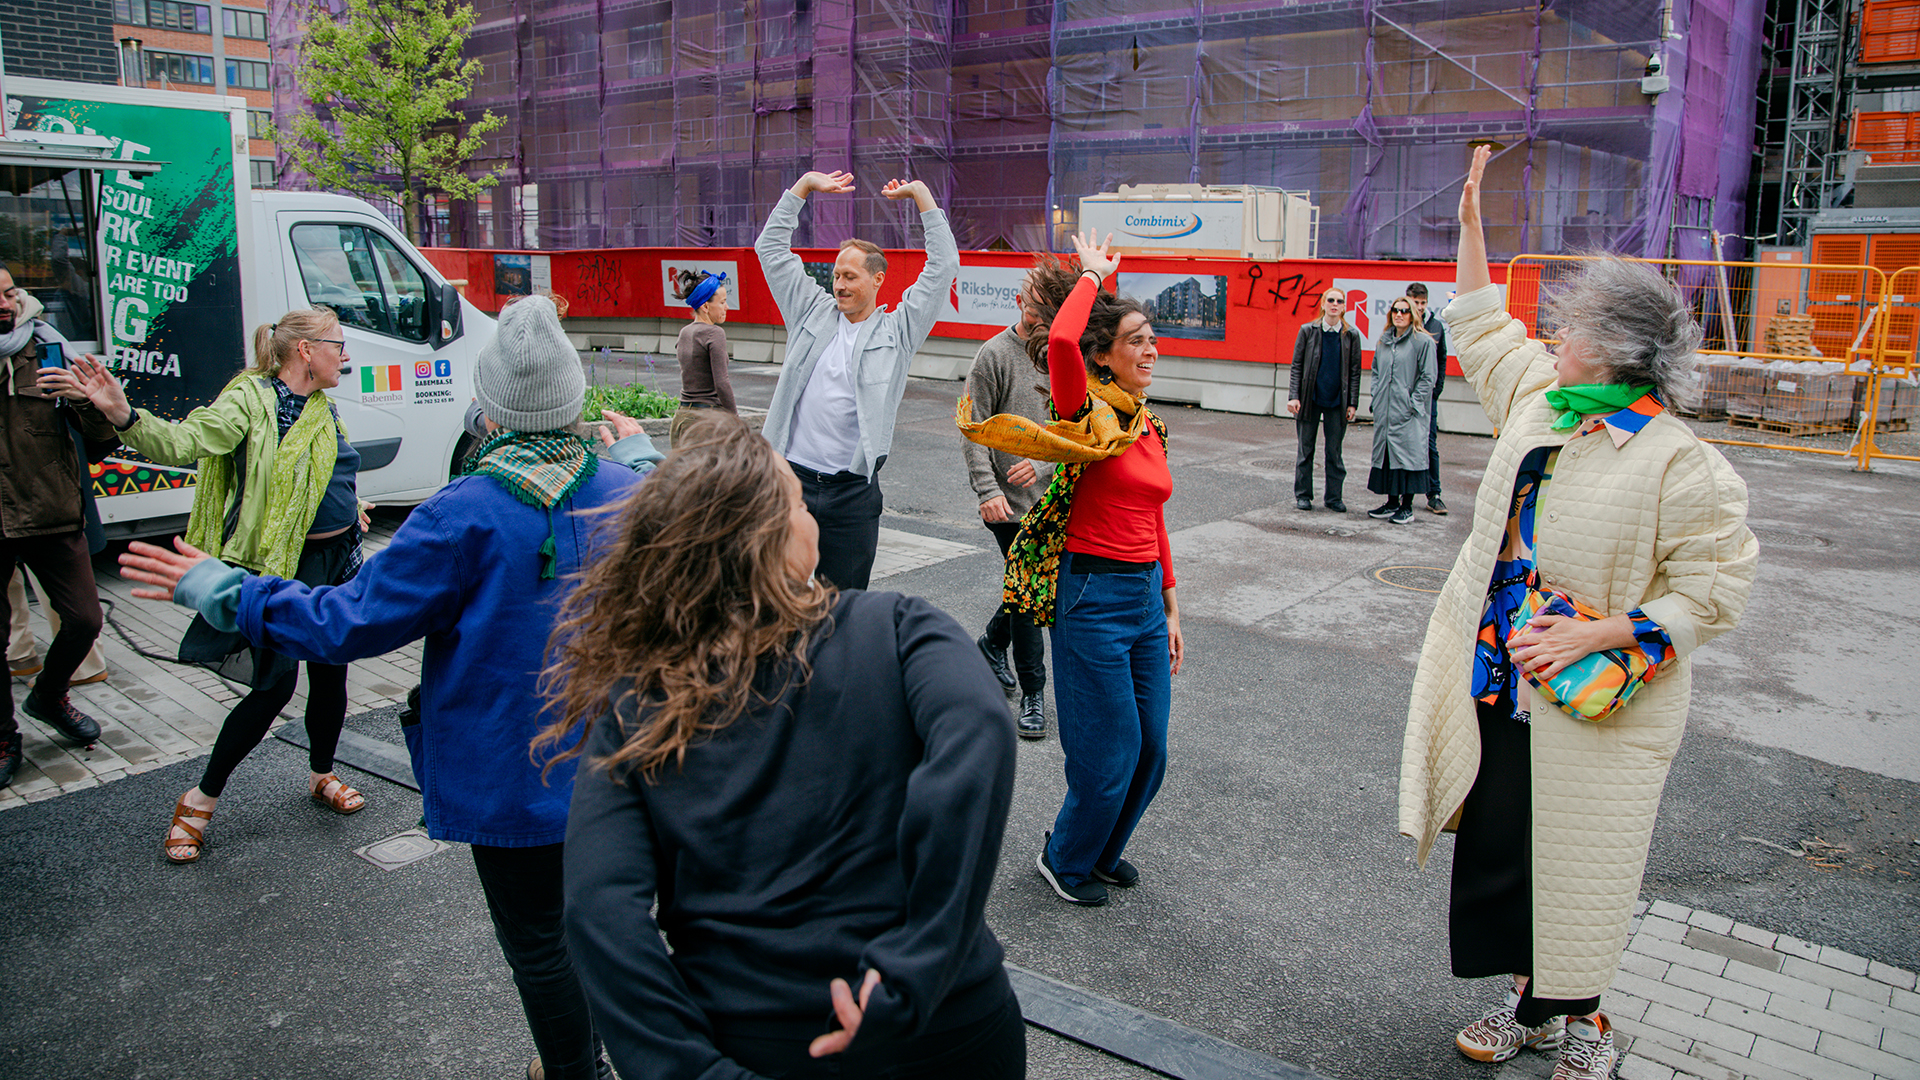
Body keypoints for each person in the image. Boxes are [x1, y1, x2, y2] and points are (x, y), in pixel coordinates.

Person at [117, 296, 652, 1080]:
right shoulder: (630, 495)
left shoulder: (459, 515)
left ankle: (577, 1069)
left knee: (540, 944)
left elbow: (345, 622)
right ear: (574, 402)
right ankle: (592, 1057)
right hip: (626, 772)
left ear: (490, 406)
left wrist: (225, 591)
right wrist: (639, 462)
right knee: (605, 930)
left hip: (514, 781)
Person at [1399, 146, 1758, 1080]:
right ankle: (1533, 1009)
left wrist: (1599, 630)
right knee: (1505, 853)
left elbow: (1715, 593)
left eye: (1575, 328)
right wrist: (1473, 227)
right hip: (1501, 683)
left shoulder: (1678, 460)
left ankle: (1586, 1023)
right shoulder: (1542, 404)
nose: (1555, 337)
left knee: (1580, 868)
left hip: (1598, 704)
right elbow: (1481, 327)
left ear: (1620, 348)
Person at [548, 412, 1023, 1079]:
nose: (812, 518)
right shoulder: (898, 629)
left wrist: (693, 1071)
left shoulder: (639, 703)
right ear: (772, 542)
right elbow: (980, 730)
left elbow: (599, 911)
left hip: (757, 1042)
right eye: (800, 503)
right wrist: (914, 967)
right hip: (947, 1030)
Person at [62, 309, 370, 861]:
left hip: (337, 561)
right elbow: (185, 444)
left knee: (331, 677)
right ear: (304, 350)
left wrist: (354, 507)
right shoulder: (250, 402)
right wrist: (125, 414)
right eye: (337, 345)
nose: (345, 356)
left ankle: (321, 774)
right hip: (283, 566)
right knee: (273, 688)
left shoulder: (324, 407)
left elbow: (330, 472)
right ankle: (200, 798)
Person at [961, 232, 1183, 908]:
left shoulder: (1146, 424)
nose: (1151, 350)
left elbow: (1155, 519)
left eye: (1153, 340)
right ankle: (1065, 858)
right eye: (1137, 340)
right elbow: (1059, 345)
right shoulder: (1084, 412)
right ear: (1104, 356)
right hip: (1089, 593)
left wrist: (1172, 607)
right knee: (1107, 752)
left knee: (1151, 751)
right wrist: (1090, 276)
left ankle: (1101, 851)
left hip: (1143, 594)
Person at [755, 170, 960, 590]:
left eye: (850, 277)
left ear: (877, 279)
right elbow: (771, 248)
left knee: (844, 606)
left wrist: (923, 196)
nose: (839, 285)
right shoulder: (810, 312)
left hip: (851, 494)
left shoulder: (898, 331)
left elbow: (943, 268)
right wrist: (803, 188)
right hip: (788, 483)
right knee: (777, 599)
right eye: (836, 276)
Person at [0, 269, 116, 789]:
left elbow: (100, 442)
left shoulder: (47, 348)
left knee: (85, 620)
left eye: (9, 291)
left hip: (52, 513)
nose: (8, 301)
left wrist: (83, 399)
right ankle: (5, 735)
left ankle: (47, 696)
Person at [963, 257, 1081, 739]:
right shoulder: (993, 354)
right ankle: (1034, 694)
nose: (1044, 317)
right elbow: (971, 428)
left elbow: (1076, 431)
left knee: (1031, 588)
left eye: (1052, 310)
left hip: (1053, 495)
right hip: (1008, 504)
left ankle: (992, 643)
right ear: (1018, 304)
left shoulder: (1065, 354)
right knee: (1032, 592)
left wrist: (1048, 463)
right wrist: (988, 491)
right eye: (1037, 308)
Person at [1286, 288, 1362, 512]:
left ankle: (1334, 498)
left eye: (1339, 301)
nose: (1335, 304)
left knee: (1334, 452)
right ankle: (1303, 495)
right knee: (1305, 450)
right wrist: (1294, 396)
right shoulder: (1308, 331)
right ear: (1323, 304)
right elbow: (1297, 365)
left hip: (1338, 401)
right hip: (1310, 399)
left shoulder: (1351, 335)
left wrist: (1352, 403)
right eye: (1331, 300)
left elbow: (1355, 371)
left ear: (1345, 307)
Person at [1364, 299, 1436, 525]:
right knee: (1387, 457)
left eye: (1405, 311)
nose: (1400, 314)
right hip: (1386, 411)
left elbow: (1428, 377)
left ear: (1413, 314)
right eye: (1396, 310)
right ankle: (1392, 502)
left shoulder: (1422, 341)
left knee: (1408, 457)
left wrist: (1413, 403)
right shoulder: (1384, 341)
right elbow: (1375, 370)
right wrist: (1376, 394)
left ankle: (1407, 507)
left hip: (1408, 413)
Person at [670, 269, 736, 445]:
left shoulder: (684, 332)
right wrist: (735, 420)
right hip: (706, 422)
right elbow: (722, 383)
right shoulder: (714, 333)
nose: (726, 307)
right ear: (706, 307)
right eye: (722, 302)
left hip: (681, 419)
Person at [1407, 283, 1450, 515]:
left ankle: (1434, 494)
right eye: (1416, 303)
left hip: (1428, 397)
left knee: (1430, 444)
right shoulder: (1402, 323)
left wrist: (1437, 388)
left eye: (1423, 303)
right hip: (1406, 396)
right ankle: (1404, 494)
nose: (1420, 307)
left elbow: (1441, 357)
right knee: (1406, 442)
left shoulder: (1435, 326)